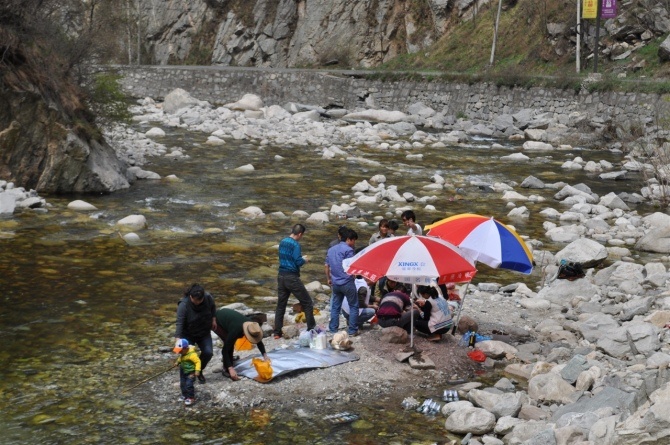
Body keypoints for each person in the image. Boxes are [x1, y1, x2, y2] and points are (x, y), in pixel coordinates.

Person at [273, 223, 316, 340]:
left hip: (281, 276)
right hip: (291, 277)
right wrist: (304, 260)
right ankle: (311, 329)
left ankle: (277, 332)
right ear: (300, 234)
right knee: (307, 303)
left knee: (281, 305)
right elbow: (297, 261)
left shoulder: (282, 241)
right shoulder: (296, 245)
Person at [174, 283, 216, 384]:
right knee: (186, 357)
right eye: (195, 300)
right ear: (190, 296)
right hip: (188, 334)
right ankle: (186, 380)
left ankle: (199, 370)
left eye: (200, 300)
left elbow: (213, 308)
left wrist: (214, 319)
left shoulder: (208, 298)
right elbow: (179, 323)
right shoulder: (183, 305)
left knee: (208, 352)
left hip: (203, 332)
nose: (197, 302)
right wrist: (177, 340)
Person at [214, 308, 268, 381]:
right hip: (217, 319)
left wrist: (265, 356)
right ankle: (226, 368)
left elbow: (259, 341)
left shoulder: (252, 325)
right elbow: (224, 350)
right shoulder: (236, 330)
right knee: (228, 344)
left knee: (230, 343)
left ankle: (228, 362)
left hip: (230, 319)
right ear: (245, 333)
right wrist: (231, 369)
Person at [325, 228, 359, 336]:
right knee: (353, 305)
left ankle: (333, 329)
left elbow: (327, 266)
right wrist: (354, 276)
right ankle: (352, 330)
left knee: (335, 306)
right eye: (354, 240)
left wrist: (328, 279)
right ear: (349, 239)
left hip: (335, 283)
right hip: (347, 282)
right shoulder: (348, 250)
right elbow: (350, 266)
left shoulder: (331, 249)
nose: (354, 243)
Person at [174, 339, 201, 406]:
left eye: (180, 351)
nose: (179, 352)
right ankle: (184, 395)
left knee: (189, 385)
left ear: (185, 348)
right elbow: (181, 358)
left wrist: (197, 370)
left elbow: (198, 362)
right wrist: (177, 362)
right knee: (182, 384)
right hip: (183, 371)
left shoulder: (192, 355)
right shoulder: (183, 353)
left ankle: (191, 397)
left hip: (190, 372)